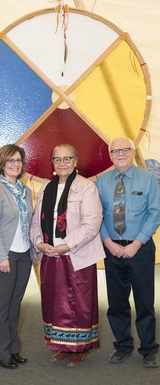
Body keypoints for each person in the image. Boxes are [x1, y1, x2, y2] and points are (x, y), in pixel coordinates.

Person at [30, 143, 105, 367]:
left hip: (76, 255)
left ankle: (79, 349)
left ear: (75, 161)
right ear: (52, 163)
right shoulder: (45, 189)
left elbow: (92, 223)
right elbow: (35, 222)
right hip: (50, 255)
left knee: (78, 304)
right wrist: (39, 243)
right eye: (57, 159)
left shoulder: (86, 187)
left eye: (67, 158)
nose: (62, 163)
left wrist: (65, 245)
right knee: (55, 303)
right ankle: (61, 345)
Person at [96, 136, 160, 368]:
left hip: (140, 249)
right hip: (112, 249)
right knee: (116, 302)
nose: (120, 154)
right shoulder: (101, 182)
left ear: (133, 152)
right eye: (115, 151)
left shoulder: (148, 179)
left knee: (144, 302)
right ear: (110, 155)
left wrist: (137, 243)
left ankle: (148, 348)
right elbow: (97, 216)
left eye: (125, 149)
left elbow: (155, 213)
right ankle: (122, 345)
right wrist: (108, 242)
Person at [0, 144, 33, 370]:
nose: (15, 164)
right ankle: (0, 352)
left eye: (18, 160)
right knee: (1, 306)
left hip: (23, 256)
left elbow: (28, 224)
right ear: (1, 164)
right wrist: (2, 257)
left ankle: (13, 348)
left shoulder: (26, 190)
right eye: (10, 160)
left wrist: (34, 251)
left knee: (15, 304)